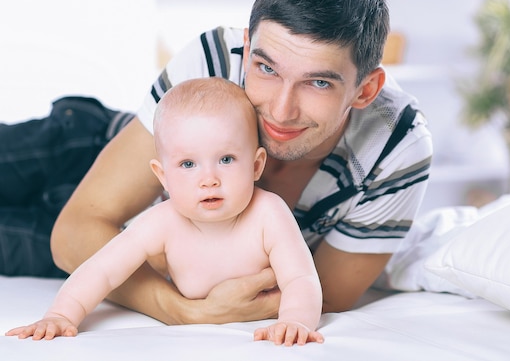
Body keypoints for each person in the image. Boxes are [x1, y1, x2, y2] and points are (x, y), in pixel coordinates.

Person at [7, 0, 432, 324]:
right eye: (266, 68)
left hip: (113, 250)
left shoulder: (398, 146)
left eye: (318, 82)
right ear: (247, 49)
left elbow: (323, 294)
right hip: (80, 151)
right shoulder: (211, 60)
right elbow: (78, 228)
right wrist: (183, 311)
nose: (281, 111)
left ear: (365, 89)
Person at [6, 77, 324, 345]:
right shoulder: (162, 221)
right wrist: (61, 315)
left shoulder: (269, 214)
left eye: (226, 159)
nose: (209, 180)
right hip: (78, 151)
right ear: (162, 176)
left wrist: (296, 321)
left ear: (256, 165)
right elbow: (101, 270)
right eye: (188, 164)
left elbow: (300, 278)